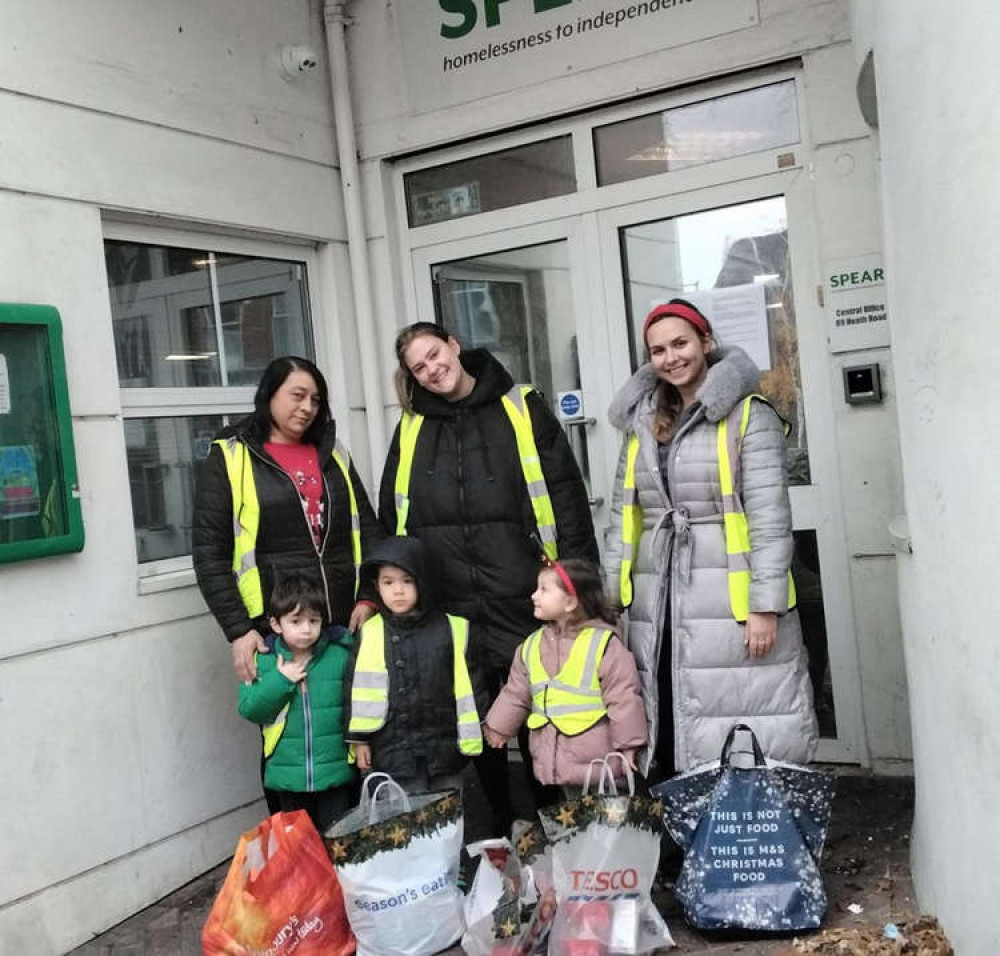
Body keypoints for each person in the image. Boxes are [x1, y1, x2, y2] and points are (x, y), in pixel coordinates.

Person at [381, 323, 599, 830]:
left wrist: (577, 580)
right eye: (419, 367)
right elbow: (393, 511)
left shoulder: (521, 405)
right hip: (452, 600)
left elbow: (565, 492)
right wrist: (395, 590)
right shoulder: (412, 426)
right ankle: (498, 828)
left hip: (524, 592)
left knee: (541, 710)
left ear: (455, 346)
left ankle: (555, 824)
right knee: (475, 717)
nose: (433, 369)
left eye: (435, 354)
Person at [602, 299, 816, 779]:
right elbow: (624, 516)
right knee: (667, 711)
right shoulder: (641, 422)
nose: (670, 357)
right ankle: (679, 829)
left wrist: (766, 605)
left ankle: (743, 833)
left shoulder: (748, 414)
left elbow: (769, 518)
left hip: (726, 594)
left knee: (739, 709)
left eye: (680, 343)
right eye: (658, 350)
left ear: (706, 342)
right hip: (656, 596)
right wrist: (611, 598)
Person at [193, 355, 382, 808]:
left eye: (316, 399)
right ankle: (294, 854)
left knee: (348, 735)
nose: (307, 407)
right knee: (286, 744)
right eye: (296, 395)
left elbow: (368, 529)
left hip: (340, 626)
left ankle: (348, 854)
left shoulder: (333, 453)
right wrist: (239, 629)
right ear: (269, 395)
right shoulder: (232, 456)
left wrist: (369, 595)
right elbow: (209, 552)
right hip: (276, 630)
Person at [483, 559, 646, 792]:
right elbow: (516, 692)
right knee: (572, 819)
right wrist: (499, 726)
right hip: (558, 758)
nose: (533, 596)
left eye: (544, 589)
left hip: (600, 762)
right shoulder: (532, 646)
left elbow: (623, 697)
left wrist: (629, 745)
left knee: (606, 819)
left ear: (570, 602)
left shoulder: (602, 645)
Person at [344, 536, 490, 794]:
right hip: (392, 751)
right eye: (388, 582)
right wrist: (359, 739)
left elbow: (474, 687)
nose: (397, 590)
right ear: (376, 587)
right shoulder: (370, 632)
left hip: (444, 749)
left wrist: (478, 729)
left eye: (407, 581)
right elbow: (354, 690)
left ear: (424, 582)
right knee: (403, 824)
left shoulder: (453, 628)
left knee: (447, 820)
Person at [237, 574, 356, 833]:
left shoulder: (340, 656)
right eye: (296, 621)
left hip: (335, 774)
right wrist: (281, 680)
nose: (306, 629)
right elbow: (250, 708)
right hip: (288, 778)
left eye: (314, 620)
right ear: (276, 624)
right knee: (299, 851)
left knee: (339, 843)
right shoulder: (265, 662)